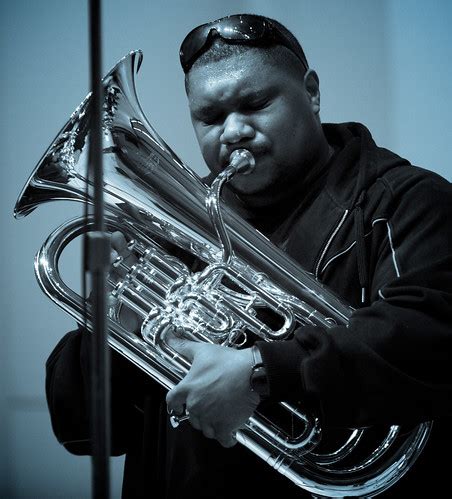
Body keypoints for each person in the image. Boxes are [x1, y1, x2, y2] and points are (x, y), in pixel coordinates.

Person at [46, 13, 452, 498]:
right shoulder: (166, 229)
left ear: (313, 93)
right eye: (211, 118)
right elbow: (81, 429)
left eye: (256, 104)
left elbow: (432, 336)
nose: (234, 130)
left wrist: (262, 369)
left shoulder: (407, 202)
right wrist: (116, 323)